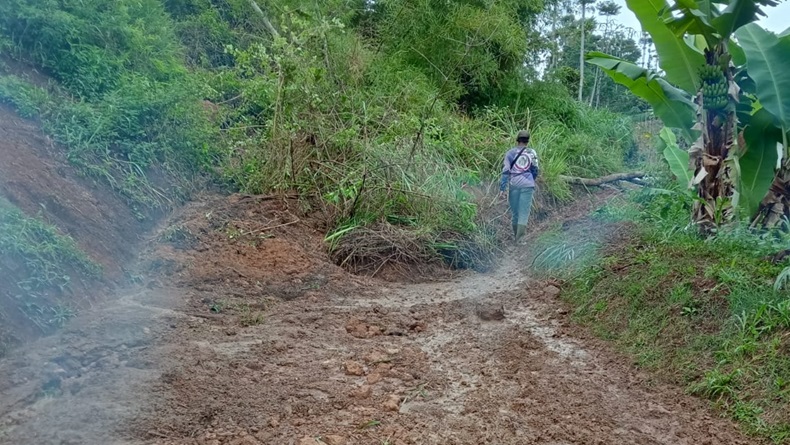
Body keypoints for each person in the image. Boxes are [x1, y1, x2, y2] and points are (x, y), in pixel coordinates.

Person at [499, 130, 539, 245]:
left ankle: (515, 236)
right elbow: (536, 169)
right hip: (527, 185)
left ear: (517, 140)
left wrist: (502, 188)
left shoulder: (510, 153)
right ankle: (519, 239)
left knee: (515, 212)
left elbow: (506, 171)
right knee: (523, 212)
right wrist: (531, 179)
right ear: (527, 141)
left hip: (514, 185)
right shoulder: (532, 153)